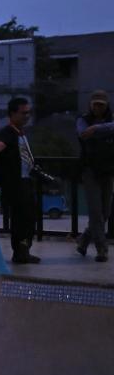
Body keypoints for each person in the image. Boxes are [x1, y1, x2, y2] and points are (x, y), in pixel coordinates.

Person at [0, 97, 40, 264]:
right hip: (17, 185)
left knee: (28, 219)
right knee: (22, 220)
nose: (27, 116)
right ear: (12, 114)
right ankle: (21, 252)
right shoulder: (9, 132)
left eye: (29, 113)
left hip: (25, 182)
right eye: (23, 113)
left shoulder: (19, 132)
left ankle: (23, 251)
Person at [75, 89, 114, 262]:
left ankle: (83, 240)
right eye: (95, 104)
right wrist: (104, 130)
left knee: (105, 212)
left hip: (108, 170)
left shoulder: (109, 120)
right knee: (96, 212)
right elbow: (82, 133)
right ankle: (102, 249)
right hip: (90, 170)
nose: (97, 108)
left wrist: (97, 128)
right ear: (90, 105)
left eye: (101, 105)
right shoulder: (83, 120)